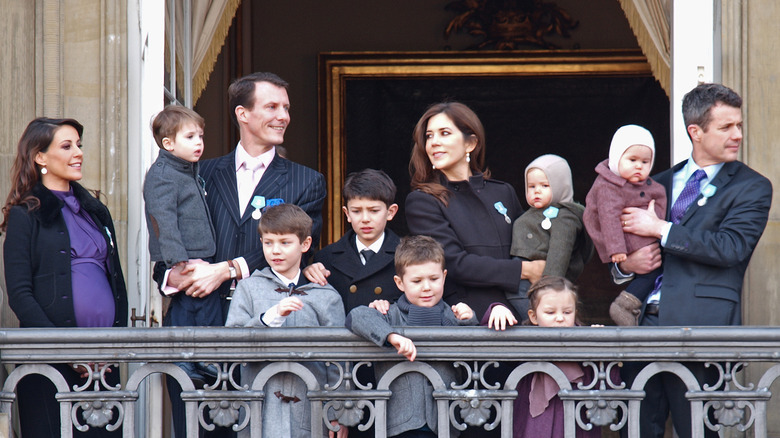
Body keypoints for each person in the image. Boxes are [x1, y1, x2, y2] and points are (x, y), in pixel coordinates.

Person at [155, 72, 326, 436]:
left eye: (286, 108)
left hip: (263, 326)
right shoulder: (200, 172)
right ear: (242, 114)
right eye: (272, 106)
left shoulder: (307, 181)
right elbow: (168, 240)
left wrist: (228, 269)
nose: (283, 116)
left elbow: (297, 246)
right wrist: (173, 276)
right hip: (196, 322)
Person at [617, 83, 772, 437]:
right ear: (695, 132)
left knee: (698, 431)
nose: (738, 135)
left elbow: (731, 247)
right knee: (637, 431)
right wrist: (626, 265)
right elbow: (624, 243)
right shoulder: (657, 182)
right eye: (726, 127)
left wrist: (662, 229)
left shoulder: (752, 186)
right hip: (642, 326)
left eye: (739, 125)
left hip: (702, 328)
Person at [2, 117, 127, 437]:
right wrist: (65, 350)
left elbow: (117, 282)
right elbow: (19, 294)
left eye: (79, 145)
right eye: (67, 146)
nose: (78, 153)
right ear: (40, 157)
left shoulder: (96, 210)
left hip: (104, 361)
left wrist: (116, 345)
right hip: (51, 361)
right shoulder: (24, 214)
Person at [405, 102, 545, 319]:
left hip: (526, 306)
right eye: (429, 136)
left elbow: (533, 243)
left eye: (444, 133)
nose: (434, 142)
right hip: (469, 315)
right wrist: (526, 271)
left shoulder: (503, 192)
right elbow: (453, 263)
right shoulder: (422, 201)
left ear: (470, 143)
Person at [224, 203, 347, 438]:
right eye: (268, 243)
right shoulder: (248, 289)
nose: (275, 251)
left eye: (285, 243)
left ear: (305, 244)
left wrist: (337, 412)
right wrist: (269, 318)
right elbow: (232, 346)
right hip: (259, 410)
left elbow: (338, 360)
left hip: (310, 412)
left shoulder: (326, 296)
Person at [346, 235, 477, 437]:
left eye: (434, 279)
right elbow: (357, 316)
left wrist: (469, 320)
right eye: (416, 281)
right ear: (399, 282)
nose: (426, 287)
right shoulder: (390, 314)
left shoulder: (453, 314)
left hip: (445, 422)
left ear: (444, 276)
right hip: (399, 424)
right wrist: (391, 336)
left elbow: (471, 352)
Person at [143, 105, 221, 383]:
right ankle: (183, 358)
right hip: (182, 258)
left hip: (198, 255)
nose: (199, 142)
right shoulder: (163, 174)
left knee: (204, 306)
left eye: (200, 136)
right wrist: (178, 259)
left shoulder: (186, 170)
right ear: (168, 143)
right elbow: (162, 218)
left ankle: (201, 358)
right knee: (187, 310)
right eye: (190, 137)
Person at [488, 277, 610, 438]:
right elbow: (494, 339)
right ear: (533, 316)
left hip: (576, 423)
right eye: (550, 312)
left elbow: (607, 385)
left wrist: (600, 347)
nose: (560, 318)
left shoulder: (584, 342)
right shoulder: (524, 341)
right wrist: (496, 309)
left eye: (567, 312)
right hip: (532, 423)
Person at [582, 125, 666, 326]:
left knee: (654, 270)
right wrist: (617, 250)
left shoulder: (653, 184)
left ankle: (628, 305)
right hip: (625, 242)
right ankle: (626, 305)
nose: (639, 166)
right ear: (616, 158)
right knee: (651, 272)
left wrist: (657, 222)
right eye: (632, 160)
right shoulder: (607, 186)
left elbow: (660, 200)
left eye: (645, 162)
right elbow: (609, 219)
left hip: (645, 238)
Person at [305, 168, 402, 313]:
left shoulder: (407, 255)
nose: (365, 219)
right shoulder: (326, 258)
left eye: (374, 211)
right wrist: (306, 273)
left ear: (391, 212)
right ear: (347, 213)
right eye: (356, 211)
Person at [507, 154, 593, 317]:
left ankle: (538, 323)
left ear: (561, 185)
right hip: (524, 270)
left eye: (545, 185)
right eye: (531, 186)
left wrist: (548, 284)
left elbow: (559, 250)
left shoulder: (565, 217)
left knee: (523, 298)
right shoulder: (534, 214)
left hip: (543, 277)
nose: (536, 191)